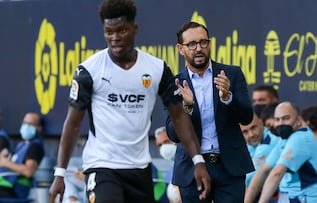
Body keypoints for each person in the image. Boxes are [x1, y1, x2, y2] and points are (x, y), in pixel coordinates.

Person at [48, 1, 210, 203]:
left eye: (121, 30)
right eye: (109, 31)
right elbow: (72, 124)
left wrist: (198, 160)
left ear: (134, 29)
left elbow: (178, 115)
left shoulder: (156, 68)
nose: (115, 37)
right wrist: (60, 173)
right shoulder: (89, 70)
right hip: (102, 166)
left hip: (139, 168)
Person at [166, 21, 254, 203]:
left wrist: (227, 97)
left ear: (210, 44)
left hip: (229, 166)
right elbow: (173, 134)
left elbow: (247, 118)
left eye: (203, 42)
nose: (199, 48)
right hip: (191, 170)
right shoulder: (174, 84)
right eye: (191, 44)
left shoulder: (231, 74)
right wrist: (187, 108)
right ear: (180, 49)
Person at [245, 102, 317, 203]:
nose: (281, 123)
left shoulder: (301, 138)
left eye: (286, 118)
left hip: (314, 199)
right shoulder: (285, 140)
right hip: (294, 198)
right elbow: (263, 171)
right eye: (277, 119)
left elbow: (277, 173)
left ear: (298, 120)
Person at [0, 112, 45, 199]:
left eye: (30, 124)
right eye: (25, 123)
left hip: (16, 190)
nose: (26, 126)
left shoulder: (34, 146)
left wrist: (5, 163)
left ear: (39, 128)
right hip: (6, 186)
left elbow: (29, 171)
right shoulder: (21, 145)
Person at [239, 113, 280, 187]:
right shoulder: (252, 145)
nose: (251, 135)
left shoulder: (268, 144)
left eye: (253, 128)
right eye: (245, 132)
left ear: (261, 123)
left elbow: (248, 179)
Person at [154, 126, 181, 203]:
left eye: (166, 142)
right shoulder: (170, 172)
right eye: (159, 145)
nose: (163, 147)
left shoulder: (195, 164)